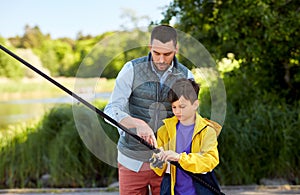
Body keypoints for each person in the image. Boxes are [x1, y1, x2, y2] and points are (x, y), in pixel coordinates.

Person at [104, 25, 194, 195]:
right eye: (156, 53)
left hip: (168, 164)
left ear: (176, 49)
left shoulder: (186, 76)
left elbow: (189, 121)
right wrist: (137, 124)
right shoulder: (131, 69)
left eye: (167, 54)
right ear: (149, 48)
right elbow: (111, 109)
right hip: (132, 161)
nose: (161, 59)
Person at [150, 78, 222, 195]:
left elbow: (210, 160)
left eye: (182, 107)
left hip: (201, 190)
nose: (177, 111)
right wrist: (158, 159)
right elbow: (156, 167)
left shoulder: (207, 131)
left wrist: (179, 158)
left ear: (195, 105)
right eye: (174, 107)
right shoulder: (164, 130)